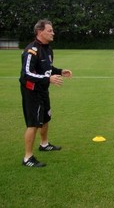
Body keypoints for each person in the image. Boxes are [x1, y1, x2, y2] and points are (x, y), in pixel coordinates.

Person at [19, 19, 72, 167]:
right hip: (31, 91)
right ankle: (27, 158)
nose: (53, 33)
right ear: (39, 31)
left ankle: (44, 144)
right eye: (50, 30)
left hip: (43, 90)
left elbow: (47, 67)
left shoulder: (48, 48)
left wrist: (60, 71)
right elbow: (26, 74)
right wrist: (47, 78)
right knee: (33, 124)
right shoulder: (31, 51)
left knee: (45, 118)